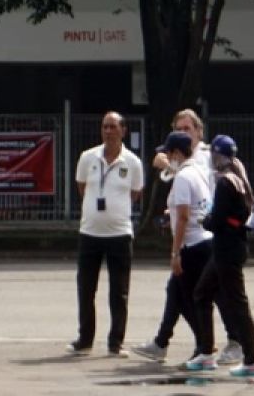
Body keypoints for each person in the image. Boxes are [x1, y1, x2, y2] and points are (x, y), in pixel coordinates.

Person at [134, 109, 243, 365]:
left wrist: (177, 241)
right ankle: (165, 342)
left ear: (198, 131)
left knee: (213, 293)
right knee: (180, 290)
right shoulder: (187, 165)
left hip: (208, 233)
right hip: (201, 231)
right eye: (179, 129)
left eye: (187, 128)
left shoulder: (206, 158)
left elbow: (203, 192)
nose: (184, 133)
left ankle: (224, 343)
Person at [66, 111, 144, 356]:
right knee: (86, 288)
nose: (108, 131)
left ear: (123, 130)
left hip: (119, 235)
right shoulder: (88, 157)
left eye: (113, 127)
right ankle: (85, 339)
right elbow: (82, 188)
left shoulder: (132, 162)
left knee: (119, 292)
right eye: (104, 127)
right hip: (90, 233)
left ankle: (115, 342)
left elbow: (135, 193)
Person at [191, 135, 254, 377]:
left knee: (237, 304)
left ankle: (252, 358)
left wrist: (206, 219)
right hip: (231, 248)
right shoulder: (239, 176)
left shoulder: (225, 183)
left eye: (213, 154)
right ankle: (205, 352)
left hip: (226, 250)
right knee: (202, 293)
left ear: (218, 155)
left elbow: (218, 220)